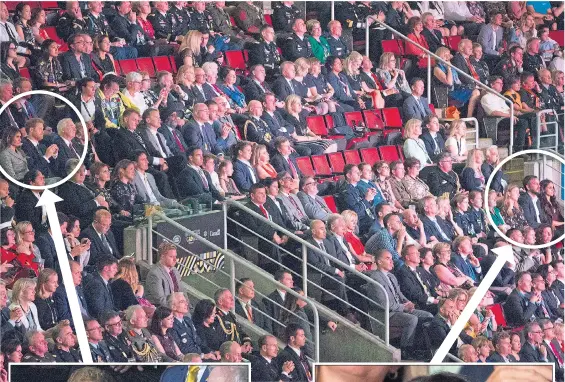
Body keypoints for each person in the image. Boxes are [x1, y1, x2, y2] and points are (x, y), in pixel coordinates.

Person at [366, 248, 433, 358]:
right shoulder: (375, 278)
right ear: (379, 261)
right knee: (412, 319)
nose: (392, 261)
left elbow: (400, 294)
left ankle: (420, 348)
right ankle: (406, 351)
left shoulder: (392, 276)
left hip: (399, 309)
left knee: (427, 316)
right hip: (387, 314)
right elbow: (384, 305)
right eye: (388, 259)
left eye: (392, 259)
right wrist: (404, 307)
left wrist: (408, 302)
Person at [167, 292, 217, 359]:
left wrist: (211, 352)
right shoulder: (171, 324)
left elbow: (198, 341)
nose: (186, 304)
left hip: (200, 356)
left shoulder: (187, 320)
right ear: (173, 306)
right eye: (182, 302)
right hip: (189, 360)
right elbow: (181, 349)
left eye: (186, 301)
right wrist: (202, 356)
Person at [145, 242, 181, 307]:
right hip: (164, 311)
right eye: (171, 257)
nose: (175, 260)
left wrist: (187, 307)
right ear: (162, 257)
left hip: (179, 308)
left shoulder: (175, 271)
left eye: (175, 256)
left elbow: (182, 292)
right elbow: (161, 300)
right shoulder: (155, 274)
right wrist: (177, 309)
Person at [84, 256, 118, 320]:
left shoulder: (105, 283)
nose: (116, 271)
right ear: (106, 268)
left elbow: (110, 307)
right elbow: (98, 311)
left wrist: (118, 313)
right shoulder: (96, 285)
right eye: (114, 268)